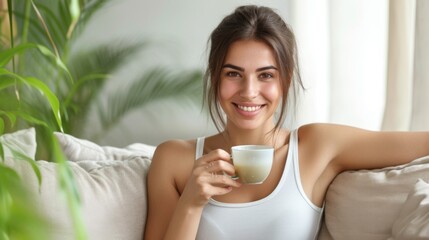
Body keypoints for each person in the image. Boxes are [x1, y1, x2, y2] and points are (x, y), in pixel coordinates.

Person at [143, 5, 429, 240]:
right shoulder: (174, 160)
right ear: (215, 77)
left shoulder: (316, 147)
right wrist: (191, 205)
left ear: (285, 80)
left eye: (266, 75)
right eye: (233, 74)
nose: (249, 91)